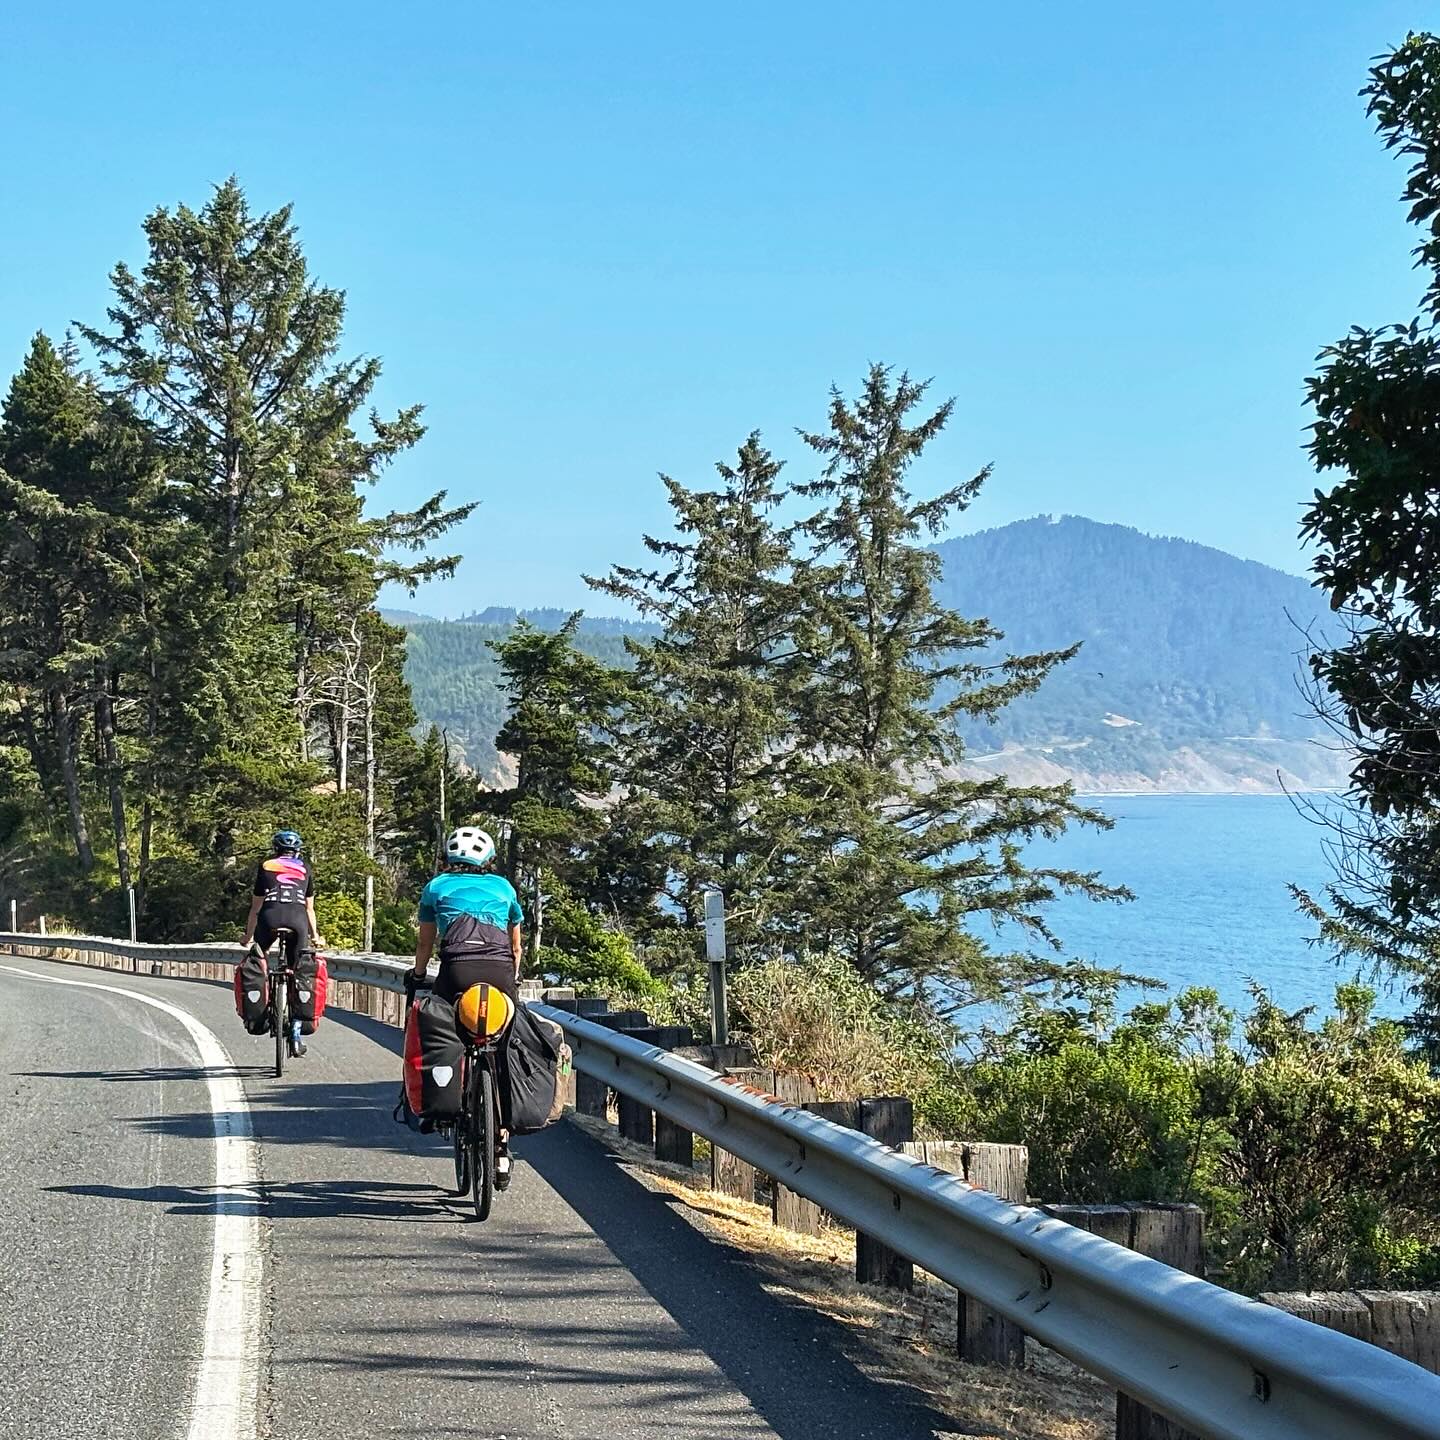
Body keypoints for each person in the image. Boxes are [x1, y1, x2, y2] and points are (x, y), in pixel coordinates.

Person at [408, 825, 523, 1184]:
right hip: (501, 974)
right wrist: (512, 980)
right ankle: (502, 1147)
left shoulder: (436, 887)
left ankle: (448, 1099)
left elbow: (426, 945)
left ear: (449, 858)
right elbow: (516, 947)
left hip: (456, 973)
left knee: (444, 1026)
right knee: (507, 1045)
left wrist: (419, 973)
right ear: (487, 860)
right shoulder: (504, 888)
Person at [242, 828, 324, 1057]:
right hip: (297, 921)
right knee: (298, 971)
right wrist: (315, 936)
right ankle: (296, 1034)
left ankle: (261, 1007)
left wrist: (247, 937)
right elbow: (309, 908)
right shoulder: (305, 868)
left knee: (259, 960)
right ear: (297, 851)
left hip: (269, 918)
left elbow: (255, 908)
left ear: (275, 849)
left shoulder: (267, 866)